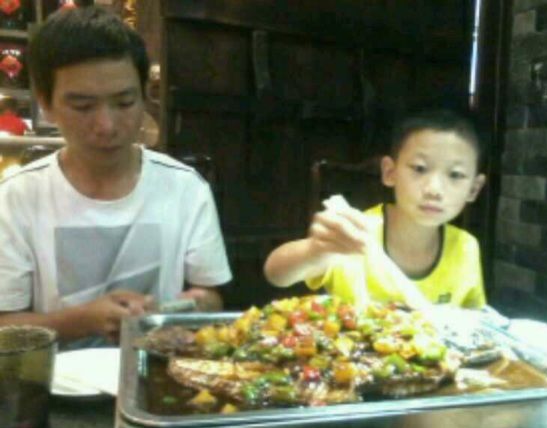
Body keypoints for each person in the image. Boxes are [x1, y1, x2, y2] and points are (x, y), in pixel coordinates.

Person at [0, 7, 232, 347]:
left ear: (143, 95)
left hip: (154, 370)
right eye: (83, 106)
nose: (107, 126)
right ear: (46, 104)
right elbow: (5, 327)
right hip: (55, 378)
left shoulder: (185, 188)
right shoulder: (16, 197)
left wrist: (174, 310)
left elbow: (210, 296)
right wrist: (83, 320)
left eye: (124, 102)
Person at [264, 109, 486, 308]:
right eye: (419, 169)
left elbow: (476, 321)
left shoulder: (466, 248)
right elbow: (275, 273)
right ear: (389, 172)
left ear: (474, 189)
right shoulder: (354, 232)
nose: (434, 190)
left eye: (455, 175)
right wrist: (315, 249)